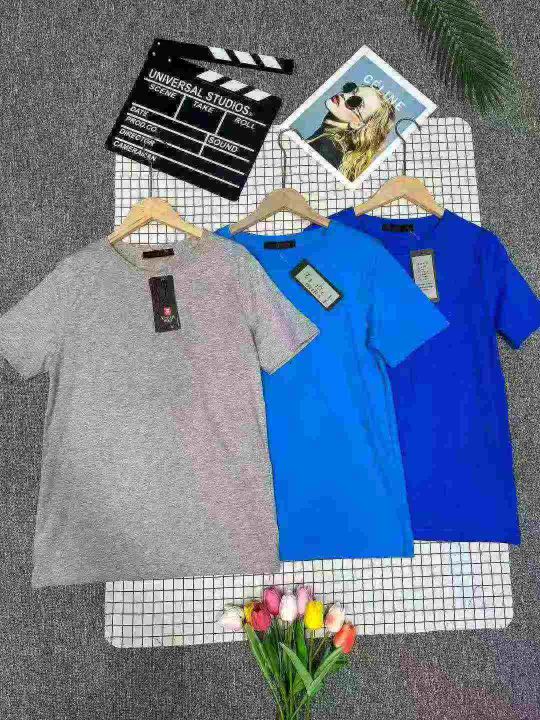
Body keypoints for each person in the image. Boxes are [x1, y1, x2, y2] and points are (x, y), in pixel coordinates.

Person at [306, 82, 396, 181]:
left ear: (358, 124)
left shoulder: (326, 149)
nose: (345, 95)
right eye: (350, 89)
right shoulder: (329, 142)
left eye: (355, 101)